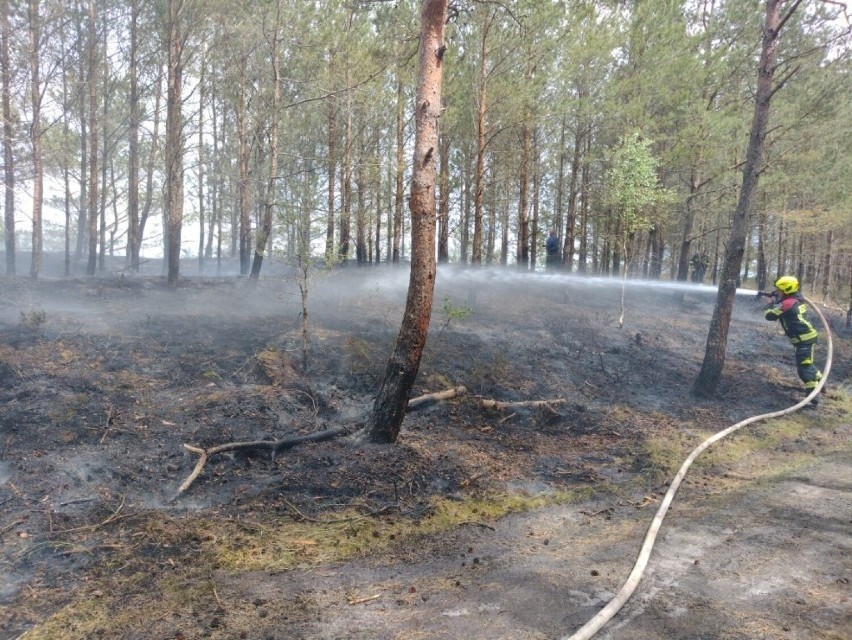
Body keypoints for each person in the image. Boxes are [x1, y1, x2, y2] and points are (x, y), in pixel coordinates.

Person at [760, 275, 823, 406]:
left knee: (804, 367)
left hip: (803, 339)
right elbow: (784, 305)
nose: (777, 292)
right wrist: (776, 300)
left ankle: (813, 395)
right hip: (804, 338)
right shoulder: (795, 299)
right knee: (807, 363)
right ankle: (822, 382)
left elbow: (769, 316)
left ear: (787, 290)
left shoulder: (787, 304)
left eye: (779, 290)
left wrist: (768, 304)